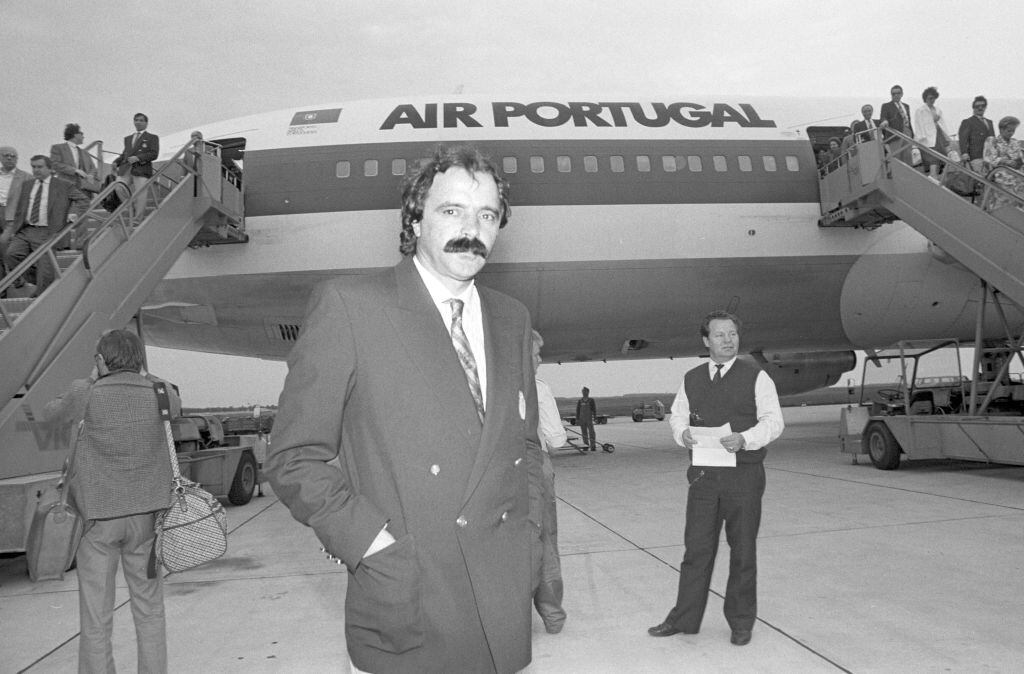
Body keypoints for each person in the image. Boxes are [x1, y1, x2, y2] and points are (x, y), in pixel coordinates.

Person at [265, 145, 544, 674]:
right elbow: (293, 457)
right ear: (414, 219)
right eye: (452, 210)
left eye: (487, 215)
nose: (473, 228)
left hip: (502, 603)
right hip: (411, 602)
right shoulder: (350, 306)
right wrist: (370, 546)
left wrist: (527, 543)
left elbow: (522, 448)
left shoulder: (511, 318)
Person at [648, 310, 783, 646]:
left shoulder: (757, 377)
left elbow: (773, 422)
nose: (728, 340)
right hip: (704, 478)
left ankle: (740, 622)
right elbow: (677, 417)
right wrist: (683, 436)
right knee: (696, 549)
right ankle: (684, 618)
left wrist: (745, 439)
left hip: (744, 477)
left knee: (743, 551)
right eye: (720, 335)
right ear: (706, 340)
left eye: (733, 334)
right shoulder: (691, 378)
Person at [44, 329, 173, 673]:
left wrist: (91, 377)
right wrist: (145, 374)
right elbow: (174, 399)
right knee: (150, 609)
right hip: (146, 521)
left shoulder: (85, 392)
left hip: (97, 520)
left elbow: (49, 413)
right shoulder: (159, 393)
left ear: (101, 360)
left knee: (97, 615)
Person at [1, 155, 84, 296]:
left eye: (40, 167)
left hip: (48, 231)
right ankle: (40, 281)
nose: (36, 170)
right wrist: (16, 226)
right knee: (10, 255)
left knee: (45, 266)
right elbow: (22, 207)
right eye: (33, 167)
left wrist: (73, 213)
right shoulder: (27, 184)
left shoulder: (63, 185)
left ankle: (42, 294)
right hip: (26, 230)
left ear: (50, 168)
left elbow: (83, 200)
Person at [532, 329, 568, 635]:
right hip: (534, 468)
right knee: (545, 542)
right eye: (535, 354)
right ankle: (553, 615)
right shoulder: (537, 388)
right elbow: (556, 438)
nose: (540, 360)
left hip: (497, 470)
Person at [112, 113, 159, 213]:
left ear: (146, 123)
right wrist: (116, 162)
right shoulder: (128, 139)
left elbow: (154, 154)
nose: (138, 122)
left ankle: (138, 219)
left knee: (140, 195)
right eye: (136, 120)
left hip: (141, 168)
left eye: (141, 120)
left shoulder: (152, 137)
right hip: (126, 168)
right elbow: (125, 154)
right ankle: (130, 208)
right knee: (118, 187)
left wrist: (138, 157)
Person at [982, 116, 1024, 210]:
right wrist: (1005, 161)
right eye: (1009, 130)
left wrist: (1017, 162)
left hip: (1015, 174)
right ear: (1001, 129)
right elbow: (988, 159)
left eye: (1013, 131)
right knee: (1007, 184)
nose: (1011, 133)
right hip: (999, 174)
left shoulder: (1015, 143)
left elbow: (1020, 159)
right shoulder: (992, 141)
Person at [0, 146, 30, 275]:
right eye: (6, 155)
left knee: (4, 241)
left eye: (13, 156)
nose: (9, 158)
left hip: (13, 214)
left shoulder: (26, 177)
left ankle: (15, 275)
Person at [913, 86, 951, 180]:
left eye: (933, 98)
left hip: (939, 136)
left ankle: (939, 179)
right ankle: (933, 178)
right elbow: (918, 125)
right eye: (930, 98)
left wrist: (947, 137)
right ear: (925, 98)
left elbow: (943, 124)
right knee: (932, 160)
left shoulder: (938, 110)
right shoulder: (920, 110)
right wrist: (921, 138)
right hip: (928, 138)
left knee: (943, 159)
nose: (932, 100)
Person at [51, 123, 98, 194]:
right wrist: (75, 170)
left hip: (84, 190)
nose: (83, 136)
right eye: (81, 133)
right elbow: (55, 164)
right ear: (75, 135)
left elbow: (93, 168)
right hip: (65, 187)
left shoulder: (85, 153)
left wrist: (91, 175)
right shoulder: (58, 148)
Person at [958, 96, 995, 174]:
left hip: (991, 158)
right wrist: (964, 153)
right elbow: (963, 139)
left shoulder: (990, 122)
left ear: (985, 107)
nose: (980, 108)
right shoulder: (967, 122)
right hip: (976, 157)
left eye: (983, 106)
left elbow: (993, 139)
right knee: (980, 180)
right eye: (977, 106)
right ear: (973, 108)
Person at [879, 84, 914, 163]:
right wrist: (884, 121)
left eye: (898, 93)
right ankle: (897, 174)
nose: (895, 95)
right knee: (896, 157)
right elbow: (883, 117)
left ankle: (907, 174)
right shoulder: (886, 106)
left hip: (907, 132)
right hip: (895, 134)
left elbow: (909, 119)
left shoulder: (906, 106)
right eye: (893, 94)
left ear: (902, 94)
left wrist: (911, 133)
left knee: (908, 156)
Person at [576, 386, 599, 451]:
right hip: (582, 419)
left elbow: (594, 409)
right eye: (582, 391)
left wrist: (595, 417)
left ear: (588, 392)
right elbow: (577, 410)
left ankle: (593, 446)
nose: (583, 393)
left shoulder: (591, 400)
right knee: (584, 433)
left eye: (585, 391)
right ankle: (585, 446)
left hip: (589, 419)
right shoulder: (580, 401)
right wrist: (577, 419)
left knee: (591, 433)